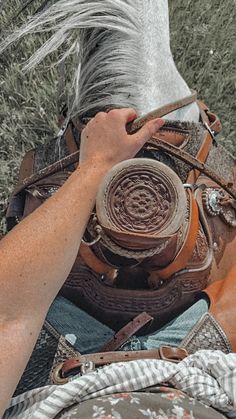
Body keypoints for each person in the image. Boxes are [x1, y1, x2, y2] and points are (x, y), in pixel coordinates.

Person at [0, 108, 165, 416]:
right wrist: (98, 163)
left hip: (57, 377)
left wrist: (94, 165)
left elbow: (7, 313)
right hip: (194, 369)